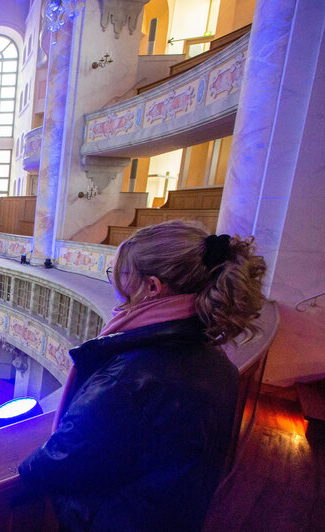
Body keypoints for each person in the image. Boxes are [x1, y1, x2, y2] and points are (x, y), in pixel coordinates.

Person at [18, 220, 267, 531]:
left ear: (152, 287)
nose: (120, 291)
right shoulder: (219, 363)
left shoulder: (128, 380)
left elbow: (49, 468)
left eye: (124, 276)